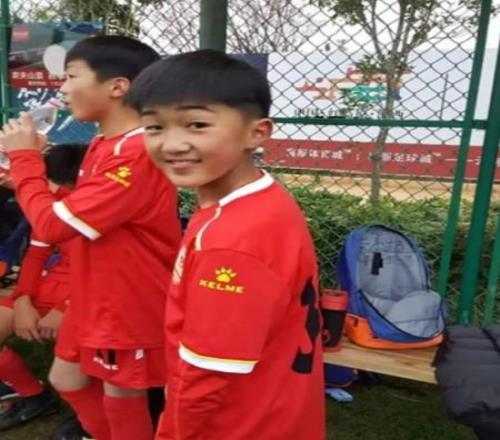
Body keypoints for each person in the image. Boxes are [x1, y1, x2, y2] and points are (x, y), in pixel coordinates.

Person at [128, 49, 326, 439]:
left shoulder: (233, 240)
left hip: (237, 426)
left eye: (197, 124)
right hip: (279, 411)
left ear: (257, 132)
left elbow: (206, 376)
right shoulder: (262, 200)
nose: (172, 144)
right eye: (154, 127)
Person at [0, 36, 182, 440]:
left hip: (127, 301)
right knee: (67, 378)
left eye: (71, 76)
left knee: (122, 392)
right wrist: (28, 176)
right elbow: (78, 214)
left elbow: (52, 226)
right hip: (95, 294)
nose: (62, 88)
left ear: (117, 86)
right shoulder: (104, 143)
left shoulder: (136, 152)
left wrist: (25, 161)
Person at [0, 144, 87, 431]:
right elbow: (36, 255)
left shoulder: (100, 208)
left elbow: (106, 272)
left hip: (89, 294)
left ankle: (88, 418)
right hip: (51, 285)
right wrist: (23, 299)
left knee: (77, 361)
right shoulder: (52, 206)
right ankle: (34, 396)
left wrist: (64, 309)